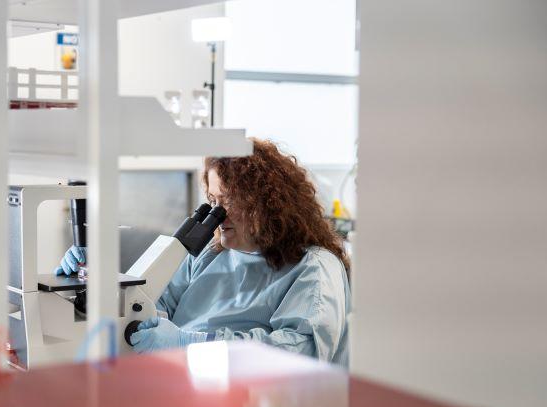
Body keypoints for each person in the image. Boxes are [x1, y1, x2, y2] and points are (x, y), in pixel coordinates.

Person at [56, 139, 351, 366]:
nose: (218, 214)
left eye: (229, 200)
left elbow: (299, 353)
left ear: (267, 203)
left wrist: (191, 343)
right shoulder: (208, 254)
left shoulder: (314, 267)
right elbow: (148, 306)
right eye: (212, 201)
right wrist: (92, 283)